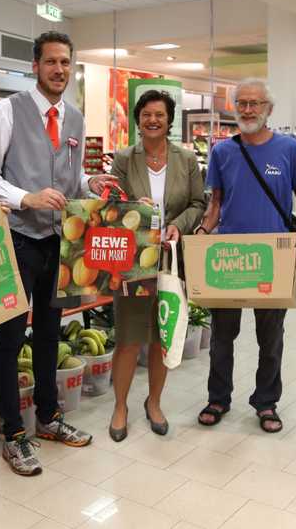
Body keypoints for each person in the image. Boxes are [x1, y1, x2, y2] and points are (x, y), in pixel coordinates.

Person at [0, 31, 117, 475]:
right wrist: (26, 198)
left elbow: (69, 181)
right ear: (35, 65)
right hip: (17, 239)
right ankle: (14, 434)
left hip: (60, 243)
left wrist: (90, 183)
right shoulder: (7, 111)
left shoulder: (74, 118)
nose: (59, 70)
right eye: (51, 62)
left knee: (52, 333)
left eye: (66, 63)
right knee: (10, 338)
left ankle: (50, 417)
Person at [195, 77, 296, 434]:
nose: (248, 110)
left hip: (273, 257)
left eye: (255, 104)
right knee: (221, 336)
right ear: (234, 108)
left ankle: (266, 402)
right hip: (228, 255)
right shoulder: (222, 152)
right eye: (242, 103)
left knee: (271, 337)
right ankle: (218, 397)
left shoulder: (289, 149)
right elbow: (214, 203)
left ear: (269, 109)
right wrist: (201, 234)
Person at [108, 90, 205, 441]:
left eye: (159, 115)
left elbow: (198, 202)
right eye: (146, 114)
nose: (153, 120)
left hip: (171, 260)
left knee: (162, 336)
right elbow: (112, 205)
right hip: (134, 261)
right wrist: (134, 205)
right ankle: (120, 406)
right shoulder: (123, 159)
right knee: (129, 338)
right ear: (138, 120)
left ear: (169, 120)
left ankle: (154, 402)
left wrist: (179, 225)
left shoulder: (186, 160)